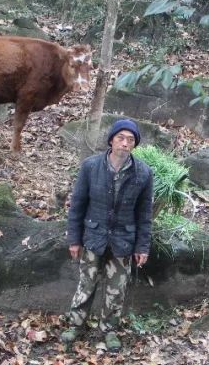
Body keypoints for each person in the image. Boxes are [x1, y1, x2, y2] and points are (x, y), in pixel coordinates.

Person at [61, 118, 154, 351]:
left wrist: (142, 246)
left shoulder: (143, 173)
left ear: (135, 145)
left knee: (117, 288)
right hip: (94, 237)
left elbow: (145, 214)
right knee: (86, 283)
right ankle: (75, 325)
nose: (125, 143)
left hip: (123, 241)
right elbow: (78, 205)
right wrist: (74, 239)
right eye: (121, 138)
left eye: (130, 140)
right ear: (111, 140)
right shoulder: (91, 166)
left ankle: (109, 330)